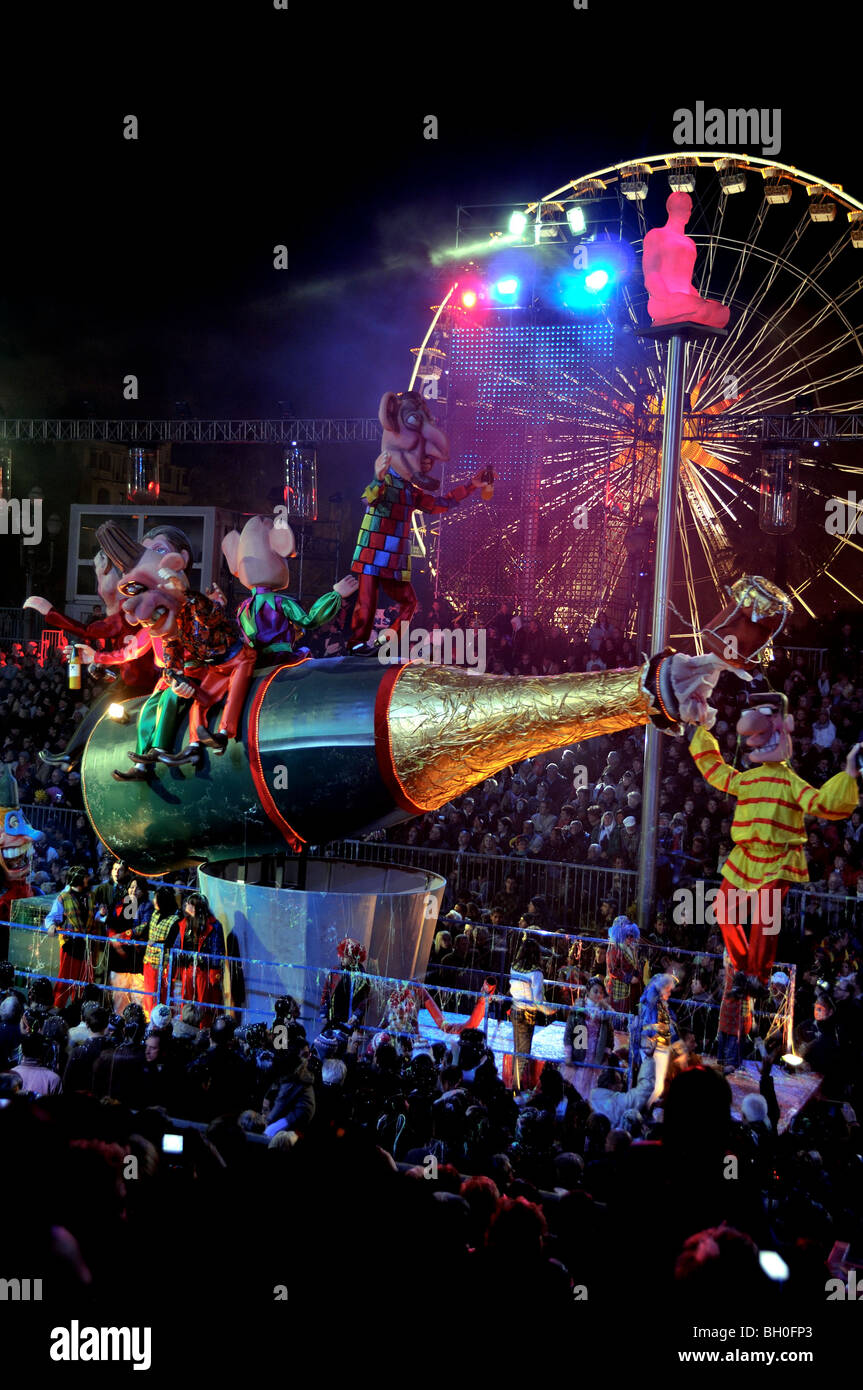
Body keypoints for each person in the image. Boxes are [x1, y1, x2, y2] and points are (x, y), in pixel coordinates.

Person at [44, 865, 95, 1008]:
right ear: (78, 879)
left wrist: (101, 914)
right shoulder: (63, 897)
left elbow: (93, 916)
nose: (88, 879)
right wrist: (51, 925)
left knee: (83, 981)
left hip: (86, 945)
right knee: (65, 979)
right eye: (85, 877)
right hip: (70, 945)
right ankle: (57, 1007)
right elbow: (52, 917)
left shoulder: (90, 896)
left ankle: (78, 1009)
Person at [173, 892, 226, 1026]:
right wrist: (174, 963)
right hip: (188, 968)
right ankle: (185, 1026)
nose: (186, 905)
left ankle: (204, 1029)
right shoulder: (184, 923)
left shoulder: (214, 925)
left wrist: (214, 972)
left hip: (204, 970)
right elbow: (177, 945)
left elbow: (217, 949)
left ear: (197, 907)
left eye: (190, 904)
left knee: (204, 1001)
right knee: (186, 999)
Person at [508, 934, 550, 1093]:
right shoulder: (536, 973)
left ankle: (515, 1086)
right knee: (523, 1054)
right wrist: (550, 1010)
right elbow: (537, 1000)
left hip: (515, 1009)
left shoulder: (514, 967)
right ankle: (515, 1089)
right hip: (527, 1014)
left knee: (517, 1050)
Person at [143, 885, 181, 1017]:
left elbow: (170, 942)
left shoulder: (174, 920)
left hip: (162, 965)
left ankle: (161, 1019)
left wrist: (156, 942)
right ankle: (149, 1018)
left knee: (160, 994)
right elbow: (147, 930)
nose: (154, 901)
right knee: (149, 994)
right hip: (148, 961)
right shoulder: (154, 914)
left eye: (156, 899)